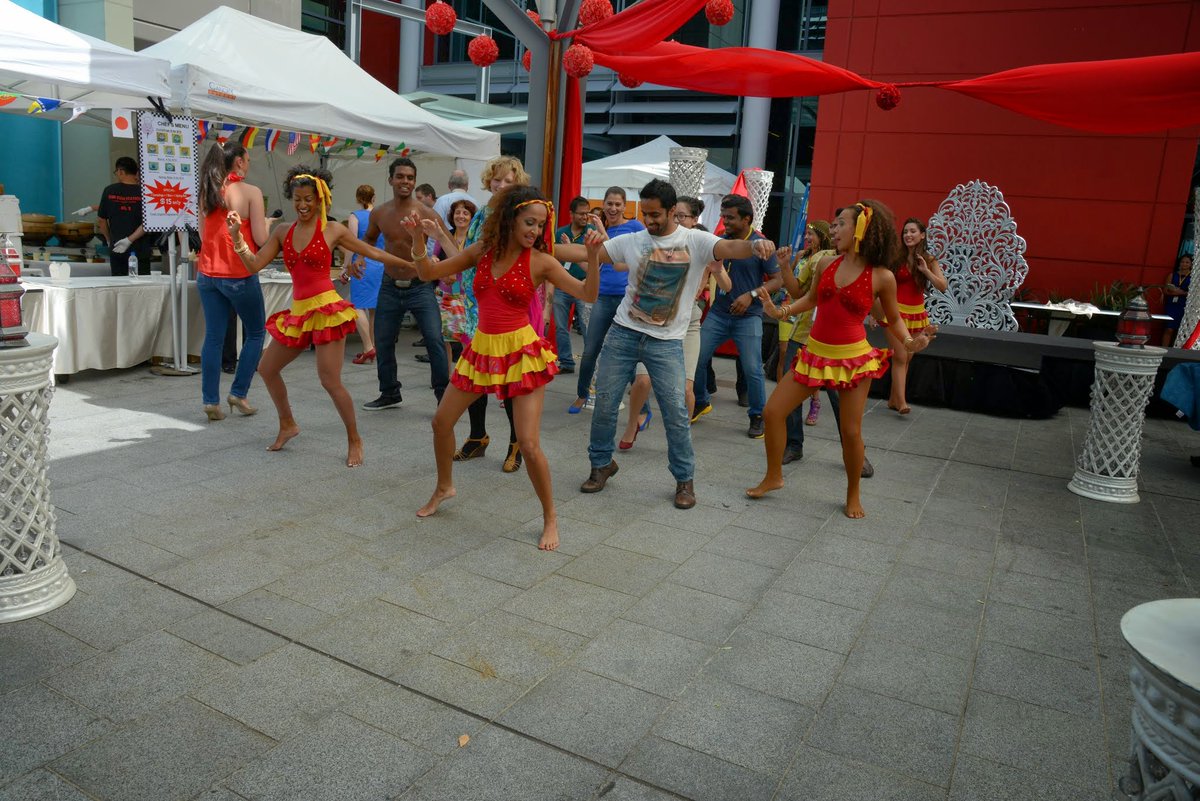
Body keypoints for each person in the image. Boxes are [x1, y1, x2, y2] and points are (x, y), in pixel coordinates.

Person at [556, 179, 776, 510]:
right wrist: (538, 247)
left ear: (673, 211)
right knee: (604, 405)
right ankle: (601, 465)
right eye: (645, 213)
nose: (650, 220)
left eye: (656, 214)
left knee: (675, 413)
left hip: (667, 342)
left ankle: (684, 480)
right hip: (623, 332)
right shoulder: (632, 240)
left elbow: (730, 249)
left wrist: (756, 246)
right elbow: (587, 253)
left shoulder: (696, 241)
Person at [407, 185, 603, 551]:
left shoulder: (541, 260)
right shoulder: (482, 251)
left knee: (528, 444)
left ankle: (550, 517)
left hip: (521, 352)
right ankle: (445, 486)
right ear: (509, 218)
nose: (535, 231)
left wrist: (591, 258)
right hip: (481, 348)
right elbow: (427, 272)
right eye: (529, 223)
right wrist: (419, 240)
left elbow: (587, 294)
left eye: (541, 226)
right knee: (441, 423)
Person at [748, 200, 936, 518]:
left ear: (861, 229)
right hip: (815, 354)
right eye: (833, 225)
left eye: (841, 224)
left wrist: (909, 341)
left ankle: (853, 494)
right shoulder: (826, 265)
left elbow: (893, 318)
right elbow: (808, 298)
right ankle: (774, 476)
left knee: (850, 432)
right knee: (772, 411)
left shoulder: (882, 277)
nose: (834, 230)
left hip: (853, 360)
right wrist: (779, 310)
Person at [225, 167, 412, 467]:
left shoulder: (333, 230)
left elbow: (372, 252)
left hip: (326, 312)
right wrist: (237, 238)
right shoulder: (282, 231)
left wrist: (413, 266)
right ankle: (288, 424)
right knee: (267, 368)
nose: (302, 205)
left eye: (308, 199)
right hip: (299, 314)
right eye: (297, 199)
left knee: (329, 380)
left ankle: (355, 439)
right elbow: (253, 265)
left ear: (320, 200)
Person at [424, 155, 531, 468]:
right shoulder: (483, 214)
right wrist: (440, 236)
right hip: (473, 305)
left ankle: (516, 443)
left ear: (518, 184)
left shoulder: (520, 216)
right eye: (496, 179)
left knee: (511, 376)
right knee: (475, 374)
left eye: (508, 180)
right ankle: (478, 436)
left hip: (506, 307)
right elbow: (465, 258)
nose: (500, 185)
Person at [361, 158, 450, 410]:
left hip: (420, 286)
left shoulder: (425, 212)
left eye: (410, 177)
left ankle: (443, 396)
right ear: (391, 179)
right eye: (400, 176)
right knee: (383, 339)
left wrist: (441, 266)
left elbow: (446, 239)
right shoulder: (380, 212)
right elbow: (368, 239)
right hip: (389, 286)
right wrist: (358, 259)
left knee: (434, 339)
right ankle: (389, 392)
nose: (405, 182)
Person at [691, 195, 782, 439]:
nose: (724, 221)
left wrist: (750, 295)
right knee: (696, 359)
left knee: (752, 369)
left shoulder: (761, 245)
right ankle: (701, 401)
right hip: (719, 313)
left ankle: (757, 416)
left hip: (749, 317)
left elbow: (778, 281)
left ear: (746, 219)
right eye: (723, 216)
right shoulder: (720, 241)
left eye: (730, 217)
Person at [196, 143, 271, 422]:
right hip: (238, 272)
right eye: (248, 160)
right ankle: (238, 393)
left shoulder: (207, 190)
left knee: (214, 337)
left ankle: (210, 401)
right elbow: (262, 240)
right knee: (254, 333)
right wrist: (267, 224)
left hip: (207, 273)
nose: (248, 164)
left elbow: (204, 237)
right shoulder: (250, 192)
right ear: (238, 162)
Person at [568, 187, 646, 413]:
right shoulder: (595, 231)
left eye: (617, 204)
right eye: (609, 204)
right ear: (603, 205)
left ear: (625, 206)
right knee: (591, 348)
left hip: (627, 298)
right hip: (602, 296)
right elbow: (596, 263)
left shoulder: (635, 228)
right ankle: (582, 395)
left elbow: (642, 256)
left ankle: (641, 406)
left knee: (628, 350)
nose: (613, 208)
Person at [885, 217, 948, 413]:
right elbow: (883, 284)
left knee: (908, 358)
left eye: (912, 231)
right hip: (895, 313)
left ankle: (893, 400)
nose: (908, 235)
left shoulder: (929, 260)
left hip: (918, 314)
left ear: (922, 235)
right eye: (905, 232)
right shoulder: (896, 258)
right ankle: (902, 403)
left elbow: (942, 286)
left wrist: (925, 271)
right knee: (901, 356)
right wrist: (876, 310)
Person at [339, 185, 385, 365]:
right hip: (380, 263)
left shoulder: (354, 216)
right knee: (374, 309)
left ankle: (367, 347)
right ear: (374, 198)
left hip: (362, 263)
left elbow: (351, 244)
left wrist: (345, 266)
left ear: (358, 199)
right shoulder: (380, 216)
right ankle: (374, 346)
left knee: (357, 305)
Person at [553, 196, 595, 374]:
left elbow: (597, 263)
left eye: (587, 213)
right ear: (571, 214)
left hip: (583, 286)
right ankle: (566, 362)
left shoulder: (592, 233)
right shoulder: (560, 233)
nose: (585, 217)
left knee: (587, 328)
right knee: (561, 327)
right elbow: (552, 260)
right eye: (581, 213)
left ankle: (589, 364)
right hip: (562, 286)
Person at [436, 197, 478, 368]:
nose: (461, 216)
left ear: (471, 217)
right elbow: (435, 257)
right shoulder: (446, 236)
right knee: (444, 337)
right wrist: (440, 268)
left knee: (467, 337)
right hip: (445, 294)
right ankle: (447, 375)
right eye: (458, 212)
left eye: (465, 213)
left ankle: (467, 373)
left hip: (467, 296)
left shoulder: (475, 239)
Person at [96, 157, 151, 276]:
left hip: (117, 248)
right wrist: (130, 239)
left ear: (121, 171)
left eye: (116, 172)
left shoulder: (109, 191)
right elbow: (149, 222)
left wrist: (109, 240)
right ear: (135, 172)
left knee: (120, 285)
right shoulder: (146, 192)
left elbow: (101, 220)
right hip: (140, 249)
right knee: (143, 286)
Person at [1162, 253, 1192, 347]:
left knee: (1180, 330)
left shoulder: (1193, 277)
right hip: (1172, 304)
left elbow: (1193, 293)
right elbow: (1165, 290)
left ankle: (1175, 350)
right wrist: (1179, 293)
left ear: (1191, 264)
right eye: (1183, 262)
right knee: (1169, 328)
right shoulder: (1172, 275)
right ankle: (1165, 349)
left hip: (1185, 305)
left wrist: (1182, 293)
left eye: (1187, 262)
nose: (1184, 264)